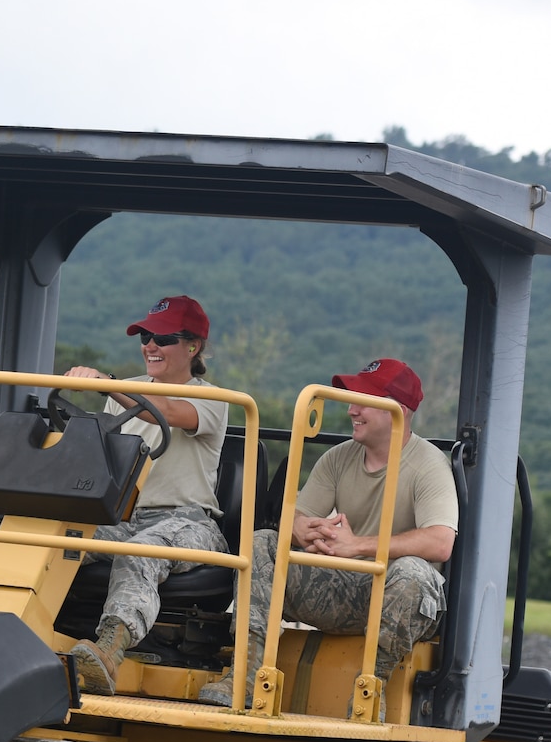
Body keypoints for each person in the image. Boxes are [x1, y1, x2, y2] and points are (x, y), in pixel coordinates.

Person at [199, 357, 455, 712]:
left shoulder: (428, 465)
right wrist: (298, 527)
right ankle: (245, 675)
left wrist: (358, 546)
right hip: (341, 591)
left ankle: (371, 690)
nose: (351, 410)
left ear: (397, 409)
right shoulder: (338, 459)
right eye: (351, 399)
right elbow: (296, 517)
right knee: (263, 543)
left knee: (413, 573)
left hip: (391, 600)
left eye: (363, 401)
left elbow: (441, 542)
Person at [62, 295, 230, 694]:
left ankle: (108, 651)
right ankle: (17, 631)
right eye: (145, 337)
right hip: (123, 518)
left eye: (163, 338)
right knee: (56, 538)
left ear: (193, 347)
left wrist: (108, 384)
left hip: (187, 521)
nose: (149, 346)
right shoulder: (124, 390)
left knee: (141, 551)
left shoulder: (215, 399)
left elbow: (168, 413)